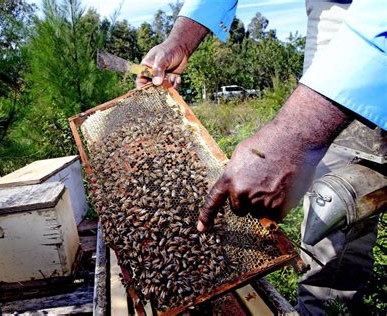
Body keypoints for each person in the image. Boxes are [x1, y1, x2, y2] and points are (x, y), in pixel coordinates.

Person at [137, 0, 386, 314]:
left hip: (374, 21)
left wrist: (296, 135)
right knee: (329, 207)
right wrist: (179, 41)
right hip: (333, 21)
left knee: (347, 191)